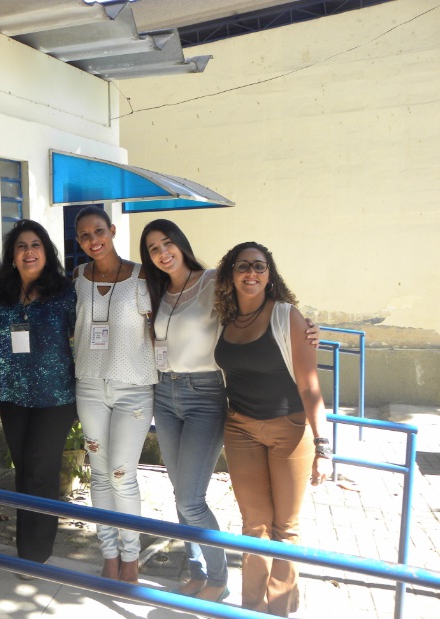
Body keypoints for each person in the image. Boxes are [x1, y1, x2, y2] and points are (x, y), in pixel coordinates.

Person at [214, 241, 332, 617]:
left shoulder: (286, 316)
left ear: (269, 275)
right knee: (254, 524)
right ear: (230, 274)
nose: (251, 272)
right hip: (240, 430)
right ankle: (251, 609)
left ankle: (279, 609)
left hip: (290, 431)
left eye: (259, 266)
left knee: (285, 527)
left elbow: (310, 386)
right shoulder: (224, 317)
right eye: (242, 265)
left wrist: (323, 447)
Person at [139, 219, 229, 602]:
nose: (163, 253)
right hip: (164, 392)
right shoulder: (160, 291)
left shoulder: (213, 281)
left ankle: (220, 579)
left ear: (180, 243)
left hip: (204, 395)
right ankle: (196, 571)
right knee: (180, 493)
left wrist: (300, 326)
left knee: (192, 499)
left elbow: (259, 304)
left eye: (167, 243)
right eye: (153, 249)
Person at [72, 206, 157, 584]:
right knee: (100, 476)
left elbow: (163, 324)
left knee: (123, 475)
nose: (93, 240)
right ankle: (109, 554)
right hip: (90, 386)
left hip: (133, 389)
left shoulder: (142, 277)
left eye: (99, 231)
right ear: (78, 240)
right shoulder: (77, 278)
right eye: (85, 235)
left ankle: (131, 557)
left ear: (112, 230)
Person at [0, 220, 77, 571]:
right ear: (12, 256)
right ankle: (26, 545)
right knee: (24, 470)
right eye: (21, 246)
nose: (29, 252)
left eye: (35, 245)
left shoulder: (65, 292)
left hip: (55, 397)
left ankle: (35, 555)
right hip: (12, 395)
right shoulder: (1, 293)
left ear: (46, 251)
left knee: (41, 472)